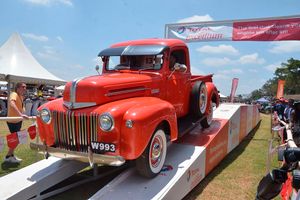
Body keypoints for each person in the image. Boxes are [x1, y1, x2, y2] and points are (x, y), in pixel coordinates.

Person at [4, 82, 29, 163]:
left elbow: (21, 107)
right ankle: (8, 156)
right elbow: (12, 103)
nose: (25, 88)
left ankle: (11, 155)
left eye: (25, 87)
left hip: (18, 120)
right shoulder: (14, 94)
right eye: (23, 87)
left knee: (16, 139)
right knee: (16, 139)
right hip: (13, 121)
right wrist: (21, 114)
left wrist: (23, 115)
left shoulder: (21, 96)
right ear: (17, 88)